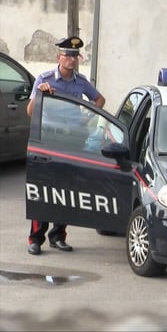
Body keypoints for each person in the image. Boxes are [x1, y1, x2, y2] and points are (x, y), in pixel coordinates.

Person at [25, 36, 106, 255]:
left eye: (75, 55)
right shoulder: (45, 78)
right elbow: (30, 112)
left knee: (66, 189)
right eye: (67, 55)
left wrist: (86, 119)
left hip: (72, 140)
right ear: (58, 57)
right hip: (49, 140)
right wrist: (41, 93)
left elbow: (99, 100)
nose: (72, 59)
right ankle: (35, 239)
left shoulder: (80, 82)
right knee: (42, 189)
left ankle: (58, 236)